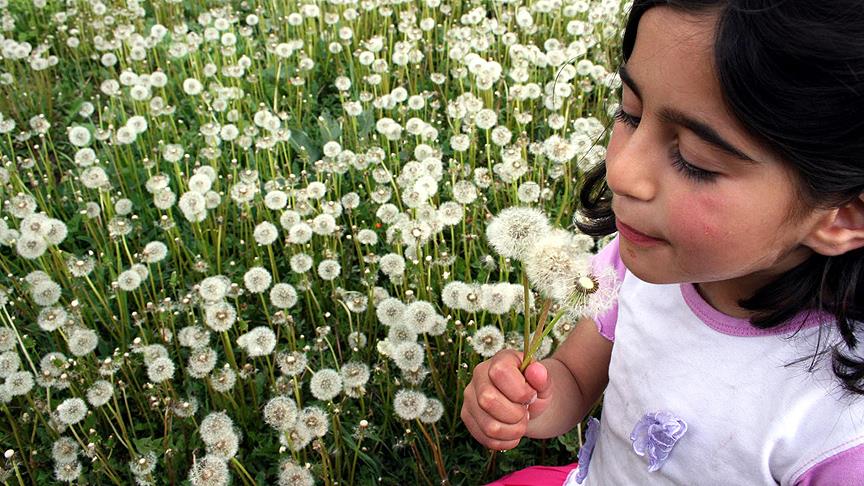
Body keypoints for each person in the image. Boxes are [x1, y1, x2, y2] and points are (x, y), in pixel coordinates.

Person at [461, 1, 864, 484]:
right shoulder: (637, 265)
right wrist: (528, 401)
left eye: (695, 159)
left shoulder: (839, 432)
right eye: (629, 113)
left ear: (842, 216)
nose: (622, 172)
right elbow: (571, 376)